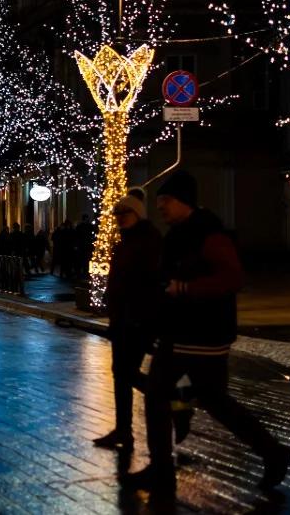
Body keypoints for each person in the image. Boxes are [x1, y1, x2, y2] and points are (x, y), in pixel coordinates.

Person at [123, 171, 290, 496]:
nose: (160, 208)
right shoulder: (177, 235)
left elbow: (232, 279)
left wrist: (184, 288)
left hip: (203, 335)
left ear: (183, 200)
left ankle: (272, 452)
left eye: (165, 202)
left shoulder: (209, 235)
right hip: (180, 333)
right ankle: (164, 467)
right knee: (173, 395)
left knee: (205, 400)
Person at [92, 192, 160, 452]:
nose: (120, 218)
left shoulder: (148, 241)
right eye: (117, 214)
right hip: (122, 321)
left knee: (126, 373)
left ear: (137, 214)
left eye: (125, 213)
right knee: (120, 374)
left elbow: (148, 283)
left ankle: (164, 397)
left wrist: (138, 316)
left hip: (138, 321)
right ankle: (123, 430)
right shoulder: (124, 243)